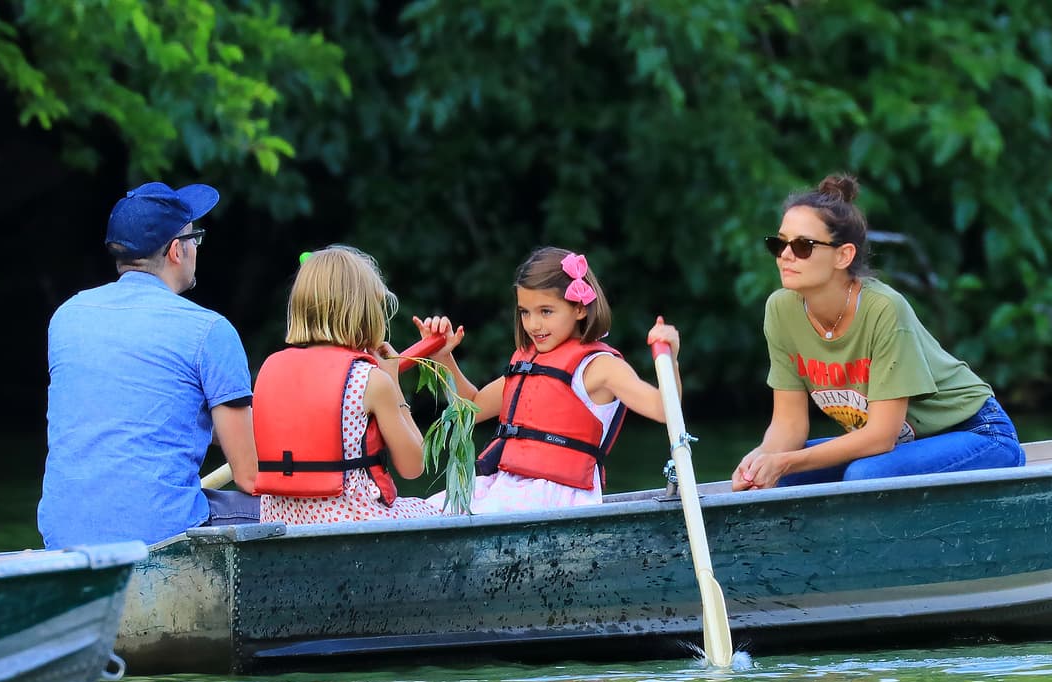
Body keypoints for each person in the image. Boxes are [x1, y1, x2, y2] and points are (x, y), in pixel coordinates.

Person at [733, 173, 1024, 491]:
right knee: (776, 478)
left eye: (803, 246)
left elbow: (881, 437)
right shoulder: (781, 310)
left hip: (978, 434)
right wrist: (760, 460)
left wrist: (785, 460)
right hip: (902, 451)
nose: (785, 255)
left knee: (865, 476)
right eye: (779, 243)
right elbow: (788, 425)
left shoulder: (884, 308)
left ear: (843, 255)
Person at [38, 182, 259, 549]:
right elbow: (250, 477)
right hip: (161, 533)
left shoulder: (67, 317)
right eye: (195, 239)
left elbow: (144, 414)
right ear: (177, 250)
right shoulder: (210, 331)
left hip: (62, 533)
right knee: (290, 511)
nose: (195, 249)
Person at [420, 246, 681, 514]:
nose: (533, 324)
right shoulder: (529, 363)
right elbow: (471, 406)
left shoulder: (600, 367)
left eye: (546, 311)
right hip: (506, 487)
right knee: (427, 510)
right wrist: (443, 357)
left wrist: (669, 359)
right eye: (525, 312)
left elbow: (664, 409)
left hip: (557, 498)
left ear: (579, 308)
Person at [255, 245, 441, 524]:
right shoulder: (371, 380)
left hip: (281, 520)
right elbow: (413, 465)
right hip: (351, 522)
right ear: (364, 312)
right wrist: (393, 383)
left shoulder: (271, 368)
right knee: (442, 511)